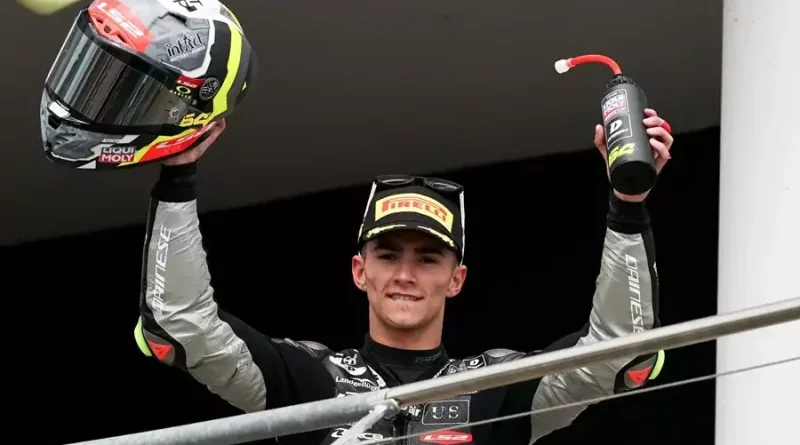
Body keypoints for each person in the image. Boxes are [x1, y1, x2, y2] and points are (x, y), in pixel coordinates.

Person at [133, 110, 674, 444]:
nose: (406, 274)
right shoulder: (309, 378)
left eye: (429, 259)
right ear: (359, 271)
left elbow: (623, 352)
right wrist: (179, 174)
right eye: (388, 255)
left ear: (457, 279)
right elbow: (180, 327)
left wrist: (627, 204)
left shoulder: (498, 388)